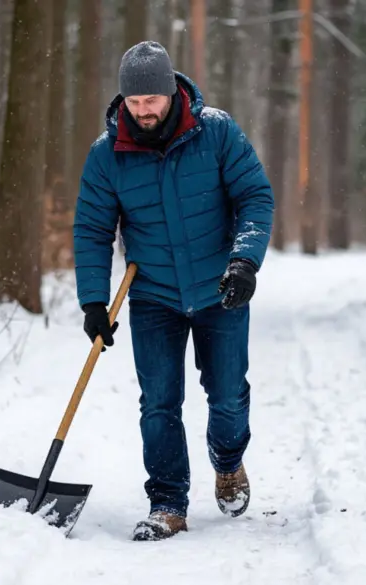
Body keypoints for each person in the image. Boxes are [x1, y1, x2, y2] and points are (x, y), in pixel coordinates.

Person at [72, 40, 274, 541]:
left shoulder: (218, 133)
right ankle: (167, 502)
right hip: (154, 295)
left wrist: (244, 263)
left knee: (227, 396)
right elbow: (92, 230)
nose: (142, 111)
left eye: (151, 101)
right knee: (159, 401)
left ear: (170, 92)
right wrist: (94, 300)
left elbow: (255, 196)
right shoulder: (107, 155)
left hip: (219, 288)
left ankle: (227, 461)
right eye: (133, 102)